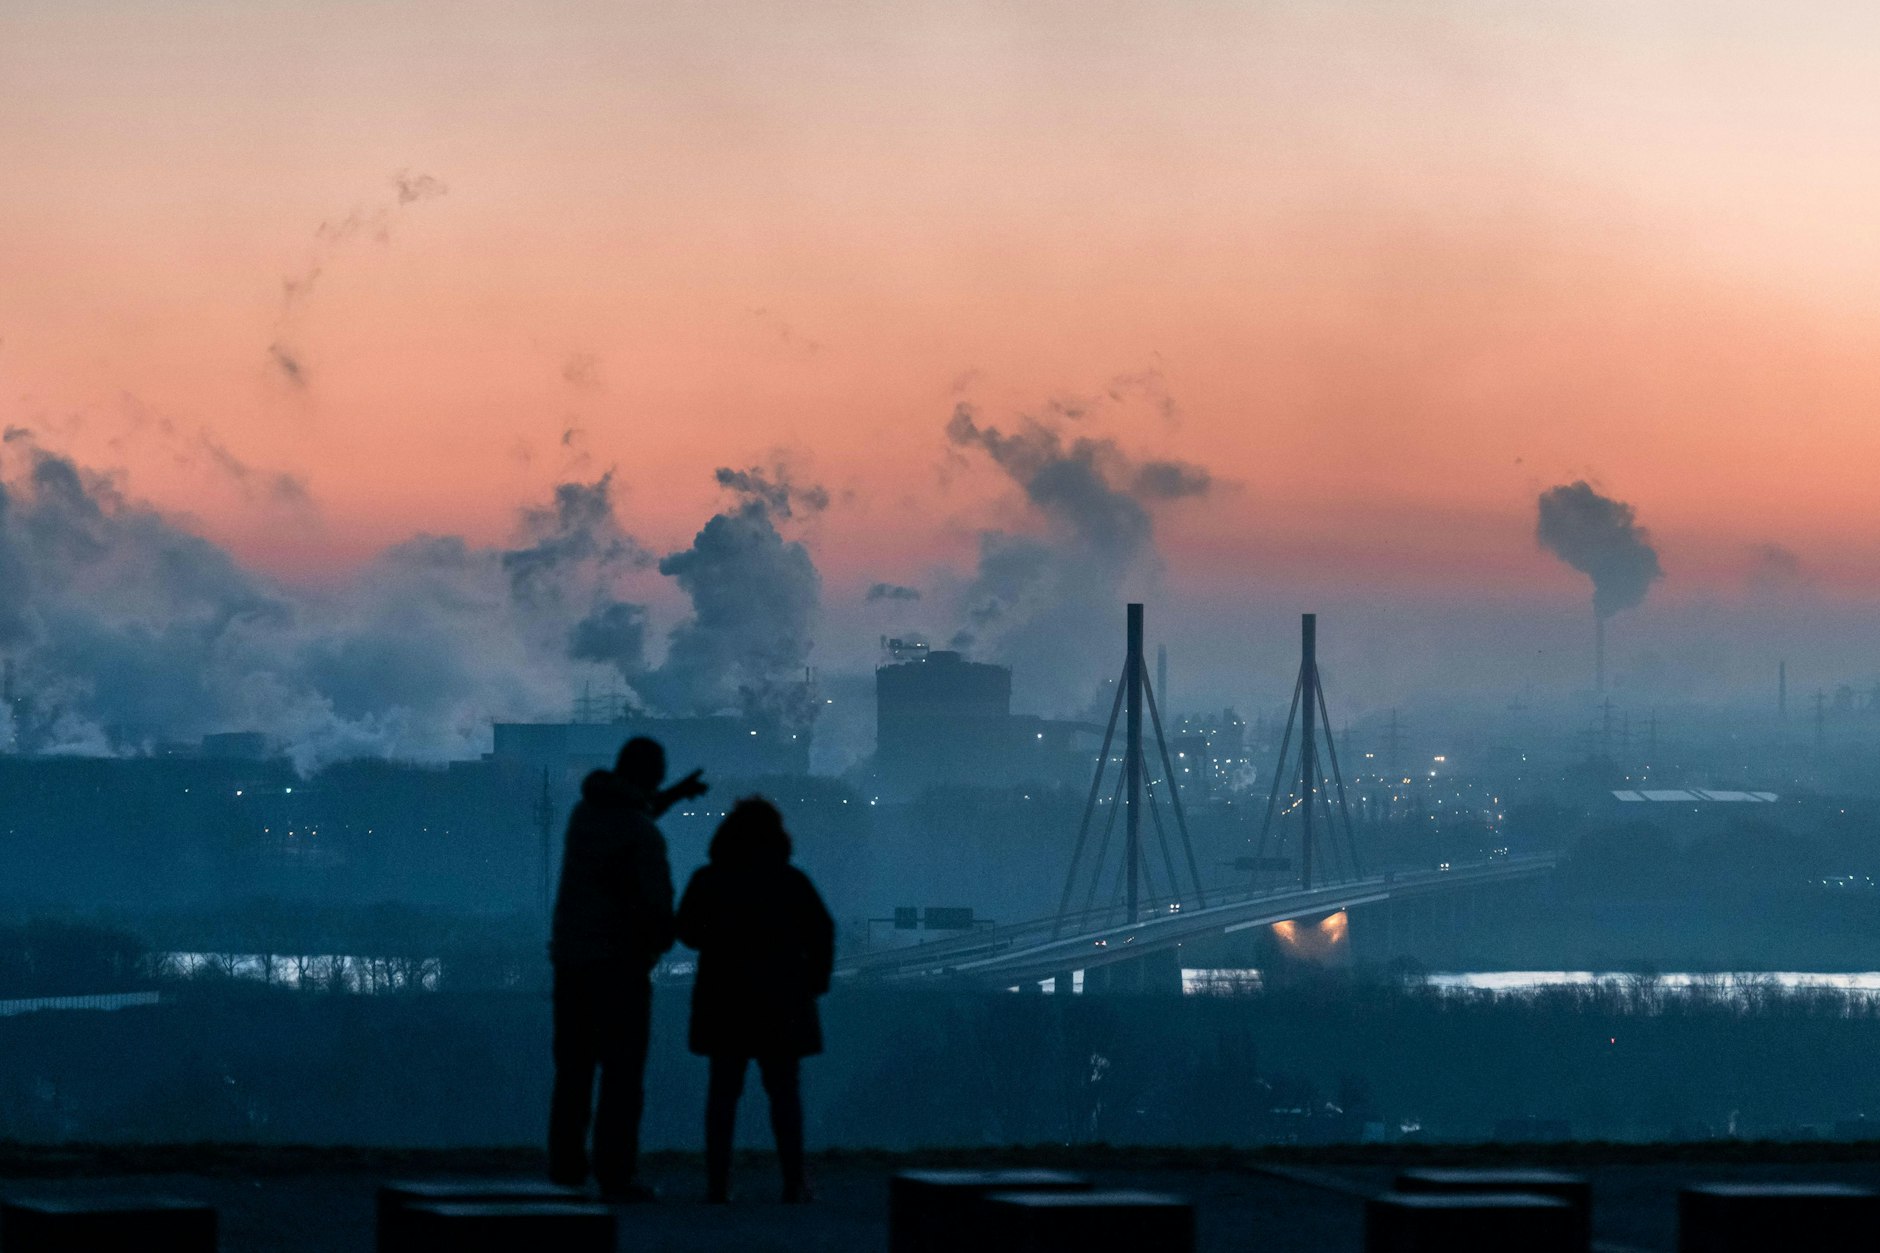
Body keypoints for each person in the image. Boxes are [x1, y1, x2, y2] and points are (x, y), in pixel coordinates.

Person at [548, 736, 706, 1201]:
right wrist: (661, 941)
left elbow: (631, 813)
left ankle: (565, 1169)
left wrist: (671, 797)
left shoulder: (584, 815)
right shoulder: (641, 834)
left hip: (573, 962)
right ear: (651, 776)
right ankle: (614, 1173)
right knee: (621, 1075)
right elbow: (656, 903)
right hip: (620, 968)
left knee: (573, 1072)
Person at [675, 797, 835, 1203]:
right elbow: (821, 931)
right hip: (782, 999)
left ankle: (717, 1183)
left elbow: (688, 931)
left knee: (723, 1093)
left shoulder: (709, 880)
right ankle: (793, 1181)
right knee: (784, 1093)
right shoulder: (790, 881)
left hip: (724, 997)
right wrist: (815, 980)